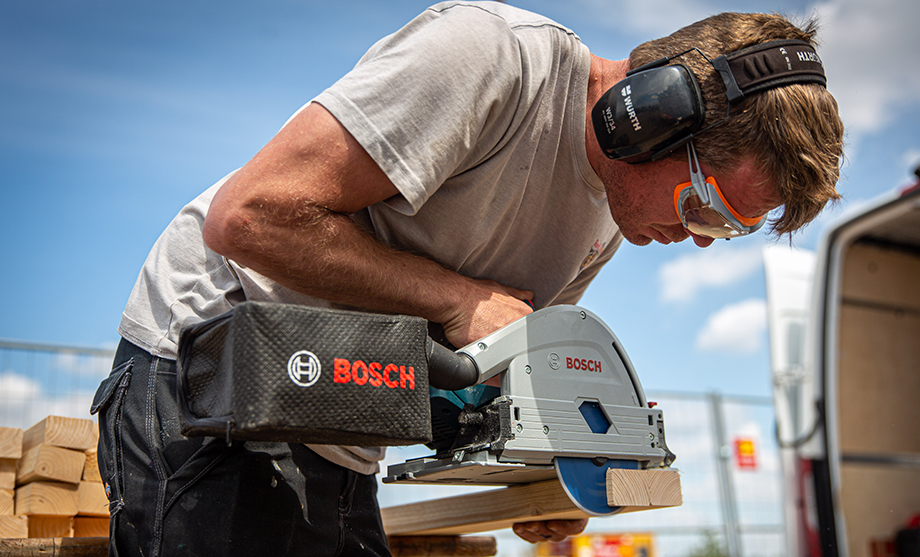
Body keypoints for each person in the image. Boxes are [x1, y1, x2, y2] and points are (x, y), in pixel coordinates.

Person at [91, 2, 843, 555]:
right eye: (704, 207)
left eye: (729, 230)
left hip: (341, 419)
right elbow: (251, 217)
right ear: (644, 117)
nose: (700, 243)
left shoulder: (609, 216)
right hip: (215, 376)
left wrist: (553, 478)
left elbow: (490, 374)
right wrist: (456, 298)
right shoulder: (492, 59)